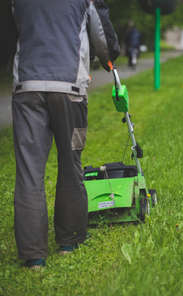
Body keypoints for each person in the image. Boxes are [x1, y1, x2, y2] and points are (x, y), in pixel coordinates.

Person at [11, 0, 120, 269]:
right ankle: (69, 242)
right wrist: (108, 59)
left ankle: (34, 256)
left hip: (27, 88)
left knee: (28, 172)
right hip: (70, 91)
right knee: (71, 165)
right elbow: (104, 42)